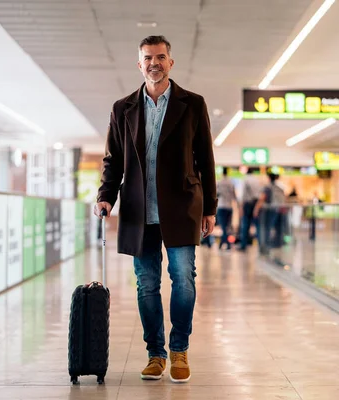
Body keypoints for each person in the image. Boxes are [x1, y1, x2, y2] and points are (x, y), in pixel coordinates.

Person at [94, 35, 217, 384]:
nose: (154, 63)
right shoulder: (123, 108)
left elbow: (205, 157)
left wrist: (210, 206)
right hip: (139, 210)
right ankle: (155, 354)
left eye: (161, 57)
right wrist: (106, 195)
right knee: (146, 285)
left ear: (170, 62)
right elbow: (113, 158)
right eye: (148, 57)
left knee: (184, 280)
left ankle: (179, 349)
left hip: (182, 206)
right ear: (139, 64)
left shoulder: (192, 104)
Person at [238, 167, 263, 251]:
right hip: (256, 203)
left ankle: (243, 245)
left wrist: (241, 207)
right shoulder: (257, 180)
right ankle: (261, 245)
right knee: (257, 225)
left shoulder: (245, 179)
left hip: (248, 204)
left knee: (245, 225)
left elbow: (243, 194)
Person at [216, 167, 238, 250]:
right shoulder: (231, 183)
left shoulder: (219, 182)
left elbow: (216, 195)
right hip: (229, 207)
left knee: (223, 226)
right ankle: (224, 243)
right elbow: (234, 196)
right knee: (227, 226)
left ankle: (224, 243)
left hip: (221, 206)